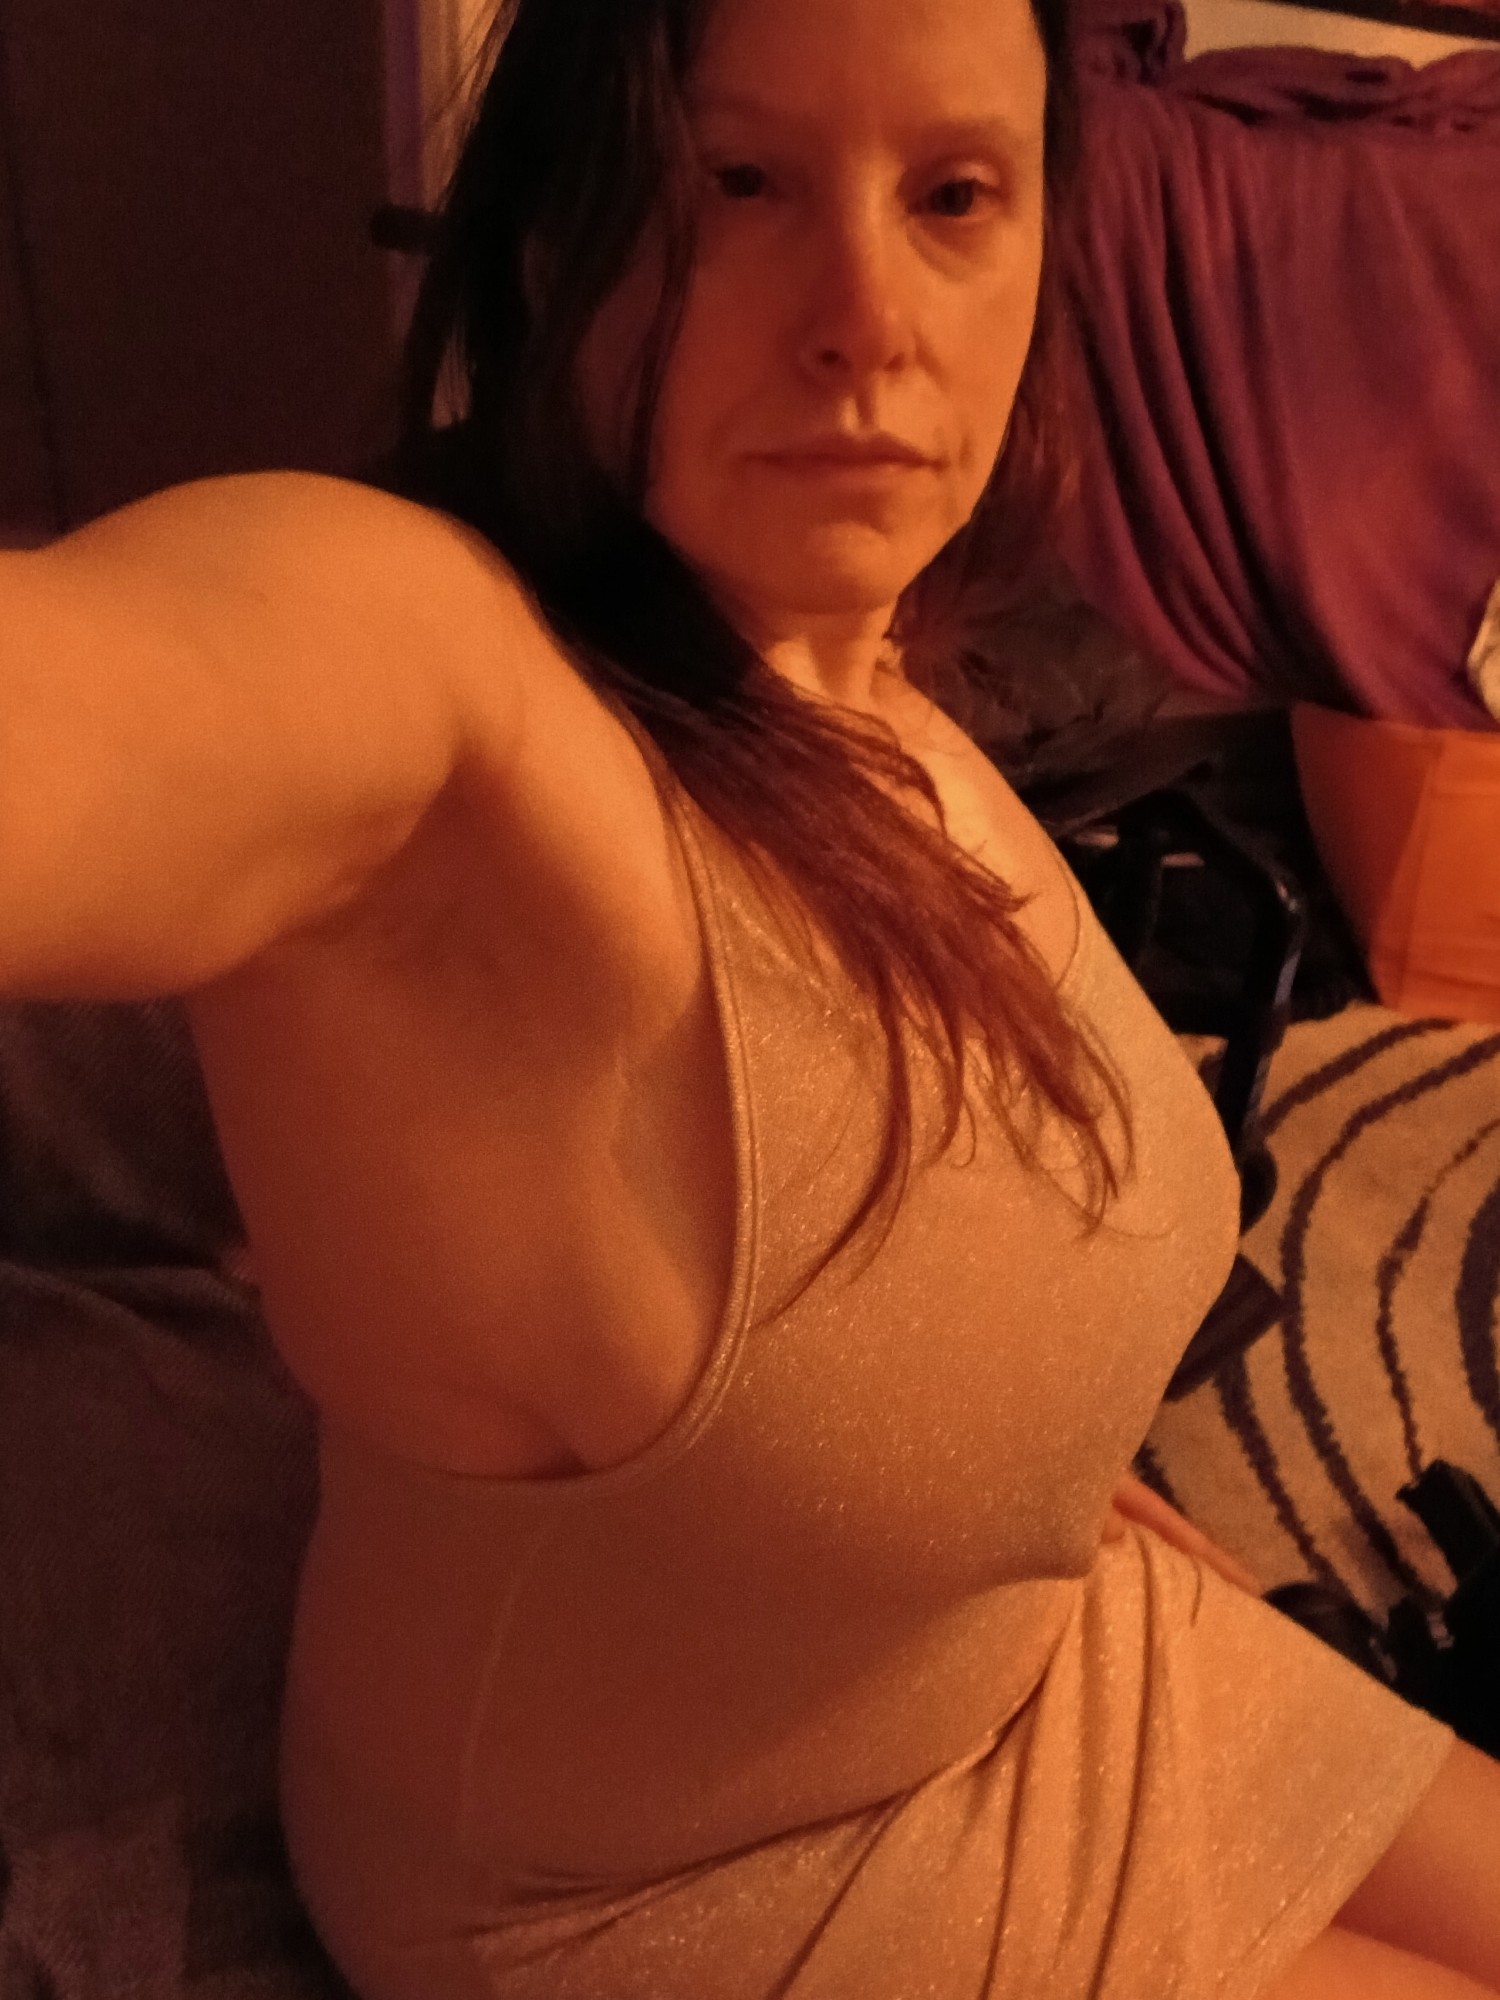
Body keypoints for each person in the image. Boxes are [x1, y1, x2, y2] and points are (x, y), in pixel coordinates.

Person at [3, 0, 1498, 1991]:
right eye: (739, 181)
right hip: (677, 1892)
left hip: (1041, 1658)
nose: (867, 316)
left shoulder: (866, 676)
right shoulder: (460, 712)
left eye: (953, 195)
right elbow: (119, 703)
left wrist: (1044, 1477)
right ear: (564, 233)